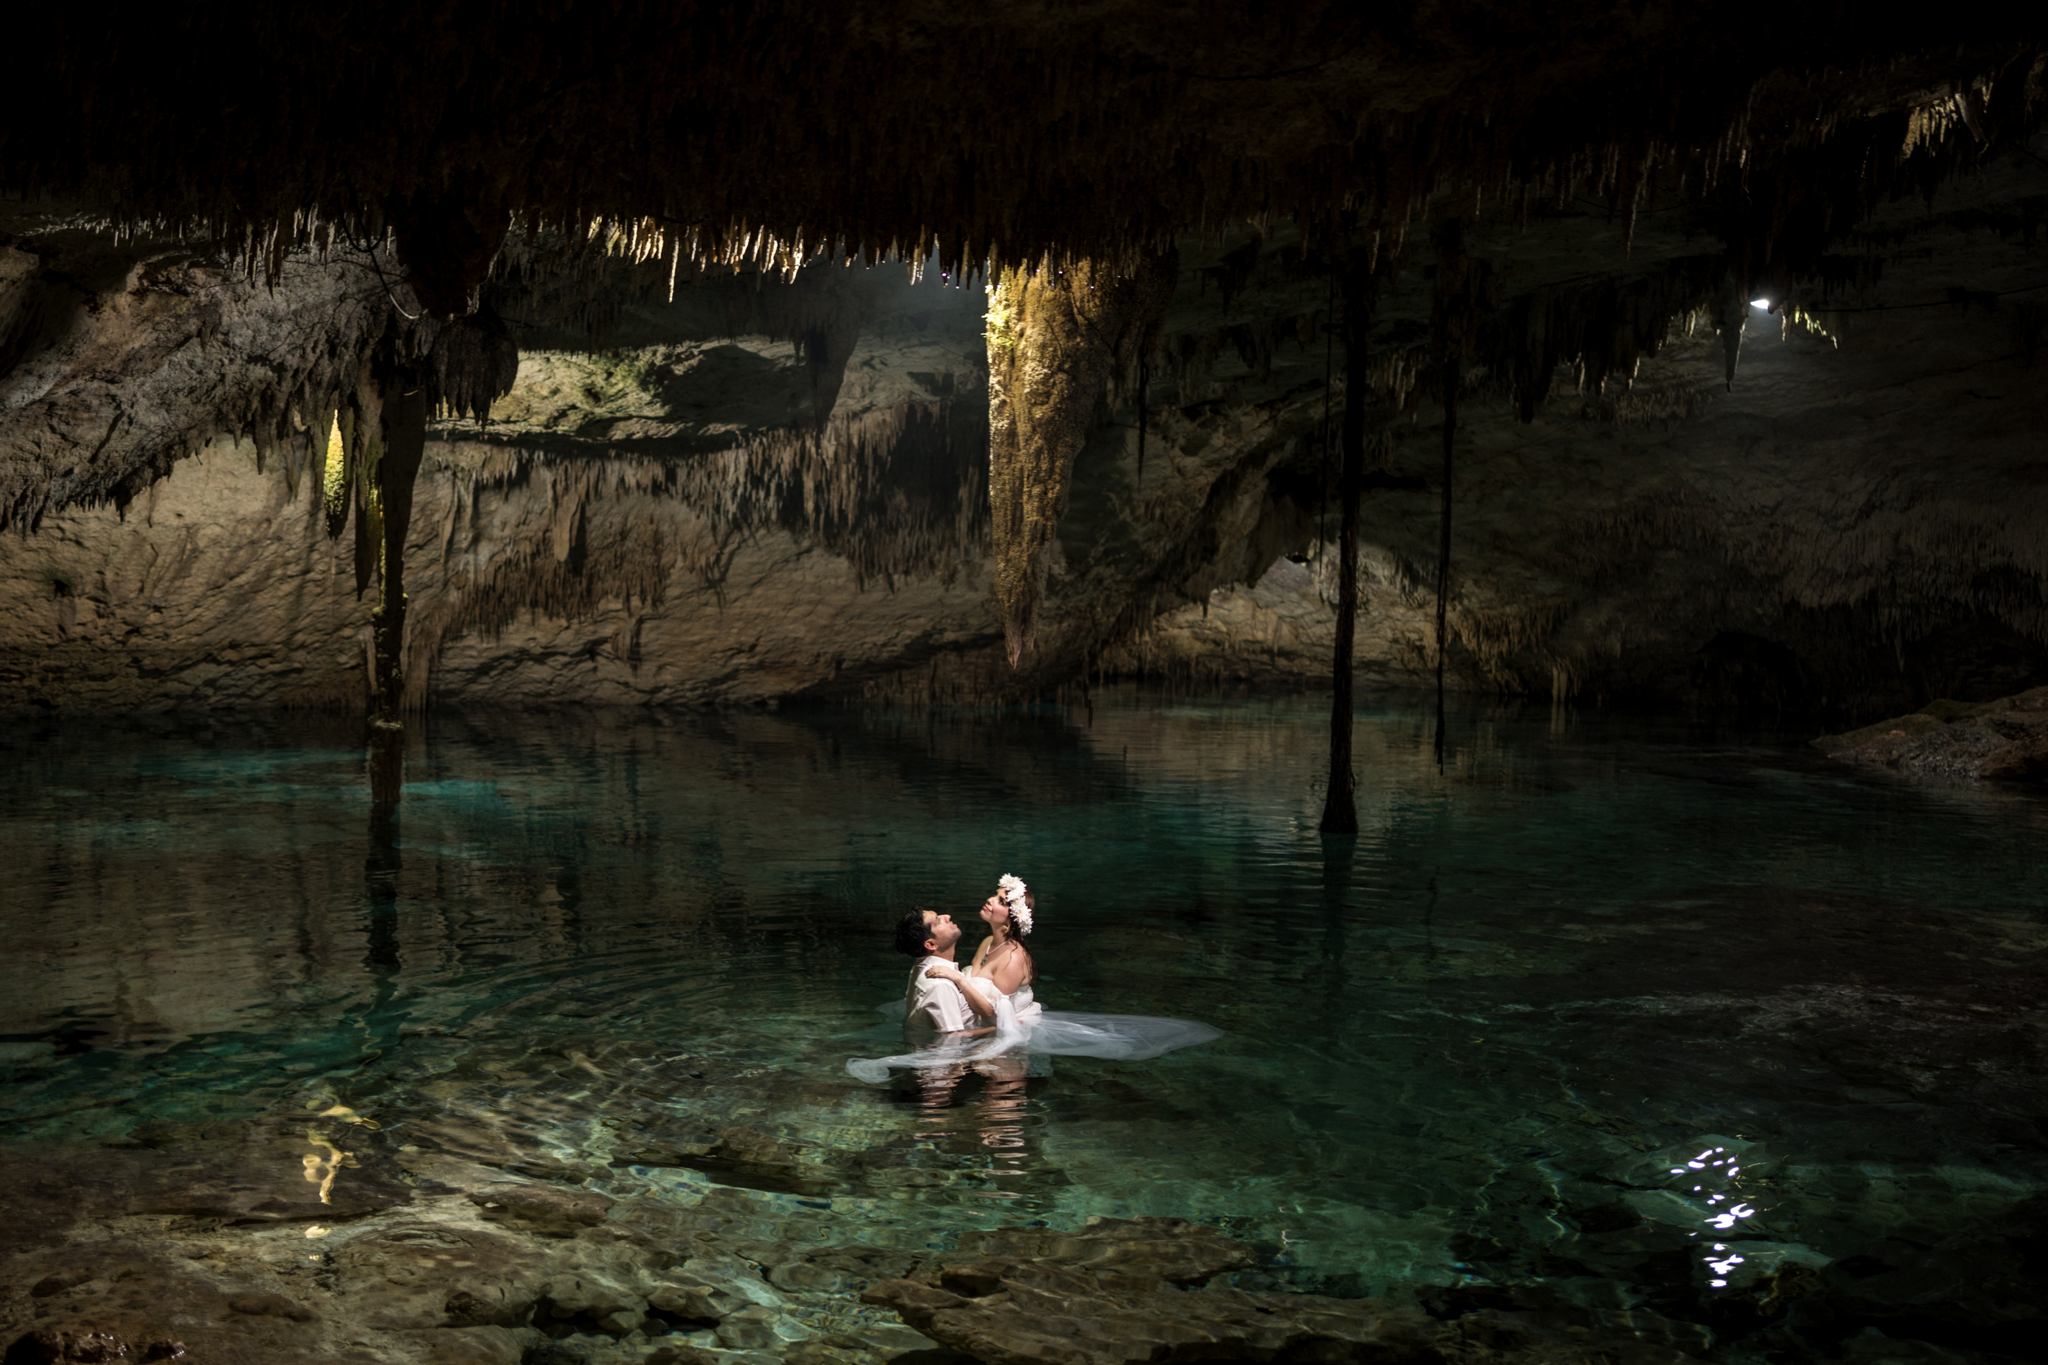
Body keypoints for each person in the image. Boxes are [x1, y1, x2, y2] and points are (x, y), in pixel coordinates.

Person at [848, 874, 1220, 1084]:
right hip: (979, 1021)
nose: (988, 902)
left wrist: (957, 983)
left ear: (1007, 918)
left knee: (1002, 1098)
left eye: (996, 900)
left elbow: (999, 1014)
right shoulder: (984, 943)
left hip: (1008, 1029)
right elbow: (978, 987)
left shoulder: (1012, 958)